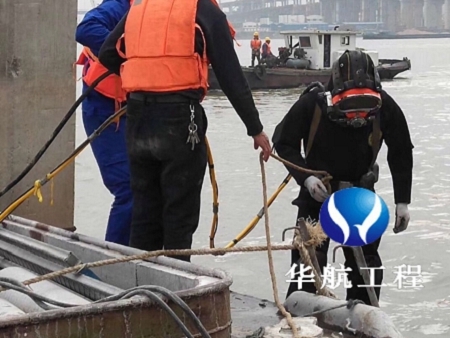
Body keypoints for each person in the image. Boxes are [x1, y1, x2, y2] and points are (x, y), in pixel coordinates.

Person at [98, 0, 272, 262]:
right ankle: (175, 290)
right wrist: (255, 128)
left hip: (138, 120)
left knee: (144, 213)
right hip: (180, 121)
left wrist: (145, 78)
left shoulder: (141, 7)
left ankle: (142, 288)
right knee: (179, 214)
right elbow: (230, 74)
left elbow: (108, 53)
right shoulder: (201, 9)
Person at [272, 50, 413, 305]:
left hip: (359, 194)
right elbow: (283, 142)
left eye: (365, 107)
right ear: (333, 97)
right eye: (350, 107)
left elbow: (401, 149)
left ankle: (364, 318)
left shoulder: (385, 106)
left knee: (365, 268)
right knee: (307, 262)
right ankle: (302, 316)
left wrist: (403, 201)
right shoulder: (312, 104)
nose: (358, 116)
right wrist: (306, 177)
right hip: (317, 193)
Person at [75, 0, 133, 246]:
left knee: (155, 189)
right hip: (106, 111)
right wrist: (129, 53)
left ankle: (145, 258)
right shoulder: (121, 6)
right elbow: (86, 29)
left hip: (139, 111)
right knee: (129, 189)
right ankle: (114, 263)